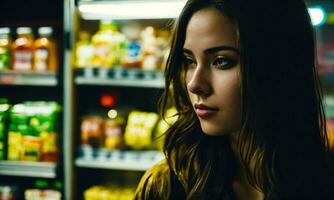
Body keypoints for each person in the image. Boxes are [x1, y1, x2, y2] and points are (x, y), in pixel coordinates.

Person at [134, 0, 334, 199]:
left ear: (277, 66)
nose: (194, 84)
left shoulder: (323, 182)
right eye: (189, 61)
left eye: (221, 61)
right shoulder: (165, 186)